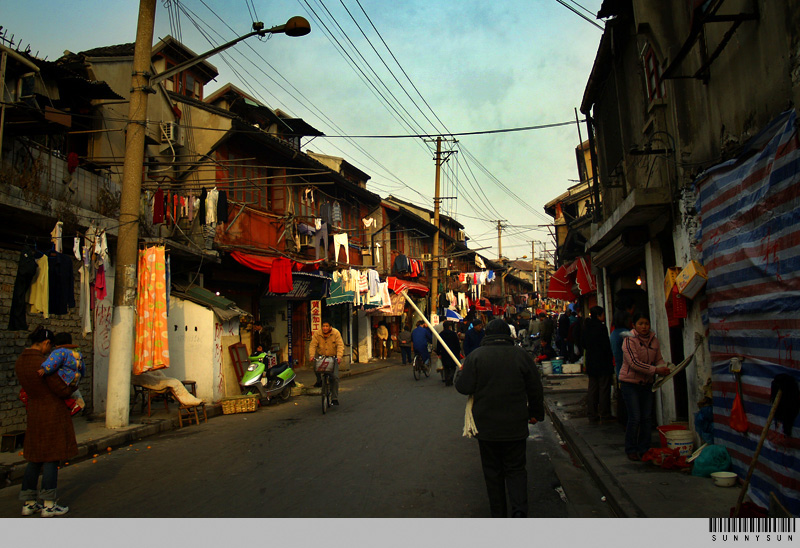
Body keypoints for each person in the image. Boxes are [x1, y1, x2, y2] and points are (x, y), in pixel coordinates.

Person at [455, 319, 544, 518]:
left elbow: (464, 387)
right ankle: (520, 512)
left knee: (493, 472)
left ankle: (499, 514)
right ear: (507, 335)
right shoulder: (521, 356)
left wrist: (459, 372)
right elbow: (535, 388)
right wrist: (535, 414)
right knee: (516, 470)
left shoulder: (476, 357)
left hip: (486, 428)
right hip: (515, 425)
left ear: (486, 335)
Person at [15, 326, 76, 517]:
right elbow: (60, 389)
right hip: (51, 412)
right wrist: (72, 384)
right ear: (46, 343)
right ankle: (49, 503)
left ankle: (29, 501)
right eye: (50, 347)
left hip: (34, 411)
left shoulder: (20, 361)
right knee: (51, 457)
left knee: (34, 457)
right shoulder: (43, 364)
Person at [618, 313, 670, 460]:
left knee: (647, 418)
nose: (644, 327)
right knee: (635, 417)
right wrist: (656, 370)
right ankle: (631, 449)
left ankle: (645, 448)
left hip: (647, 383)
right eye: (640, 323)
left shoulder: (654, 340)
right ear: (634, 325)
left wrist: (665, 367)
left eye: (646, 323)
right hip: (630, 384)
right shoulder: (629, 340)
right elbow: (634, 363)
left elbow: (658, 358)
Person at [39, 332, 86, 416]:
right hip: (74, 378)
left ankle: (73, 404)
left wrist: (44, 369)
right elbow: (83, 368)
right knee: (70, 392)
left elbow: (53, 362)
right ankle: (78, 403)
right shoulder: (77, 353)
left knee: (55, 389)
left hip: (64, 378)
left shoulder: (60, 352)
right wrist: (80, 377)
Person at [583, 306, 614, 424]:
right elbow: (606, 346)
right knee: (604, 388)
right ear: (598, 315)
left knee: (592, 388)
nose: (604, 317)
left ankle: (592, 414)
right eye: (603, 314)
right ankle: (605, 414)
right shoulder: (601, 328)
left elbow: (584, 344)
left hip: (591, 361)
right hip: (602, 361)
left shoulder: (586, 327)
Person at [309, 321, 345, 405]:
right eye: (323, 326)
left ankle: (334, 398)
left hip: (333, 357)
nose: (325, 328)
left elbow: (340, 345)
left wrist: (339, 357)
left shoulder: (336, 333)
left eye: (326, 326)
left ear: (330, 327)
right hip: (321, 356)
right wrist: (311, 355)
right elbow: (312, 345)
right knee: (315, 368)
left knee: (334, 377)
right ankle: (319, 381)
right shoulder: (318, 333)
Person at [436, 321, 462, 386]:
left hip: (444, 353)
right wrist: (458, 351)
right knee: (453, 366)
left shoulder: (441, 334)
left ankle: (447, 379)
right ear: (450, 327)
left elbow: (438, 344)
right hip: (453, 352)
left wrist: (438, 353)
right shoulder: (453, 334)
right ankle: (451, 377)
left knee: (446, 367)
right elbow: (457, 344)